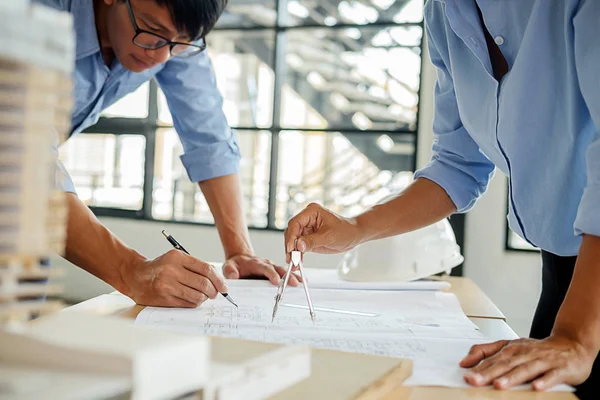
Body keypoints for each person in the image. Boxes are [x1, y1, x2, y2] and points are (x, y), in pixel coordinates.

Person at [284, 0, 600, 398]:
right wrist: (354, 228)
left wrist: (577, 336)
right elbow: (457, 166)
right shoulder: (444, 13)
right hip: (564, 273)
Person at [37, 0, 300, 308]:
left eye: (179, 44)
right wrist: (131, 272)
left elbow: (209, 136)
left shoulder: (173, 35)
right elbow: (24, 161)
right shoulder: (28, 16)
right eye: (152, 32)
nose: (160, 56)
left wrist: (239, 251)